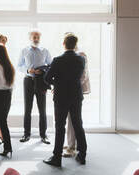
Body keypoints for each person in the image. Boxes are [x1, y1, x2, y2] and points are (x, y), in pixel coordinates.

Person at [43, 33, 87, 167]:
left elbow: (47, 78)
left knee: (60, 126)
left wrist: (55, 84)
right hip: (75, 96)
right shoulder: (81, 60)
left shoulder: (57, 60)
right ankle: (82, 155)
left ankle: (57, 157)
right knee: (78, 124)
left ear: (64, 44)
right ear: (75, 45)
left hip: (61, 97)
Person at [17, 30, 52, 144]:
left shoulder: (45, 51)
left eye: (37, 37)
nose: (36, 38)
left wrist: (43, 70)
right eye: (34, 36)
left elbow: (50, 66)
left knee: (42, 109)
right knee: (27, 109)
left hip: (41, 81)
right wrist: (28, 70)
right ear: (30, 38)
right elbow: (19, 66)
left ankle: (43, 135)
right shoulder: (24, 50)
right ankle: (26, 134)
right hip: (28, 81)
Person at [63, 46, 90, 158]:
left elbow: (83, 76)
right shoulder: (72, 56)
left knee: (75, 121)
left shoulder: (81, 55)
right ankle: (72, 143)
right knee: (73, 120)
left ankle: (73, 147)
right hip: (73, 92)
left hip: (74, 93)